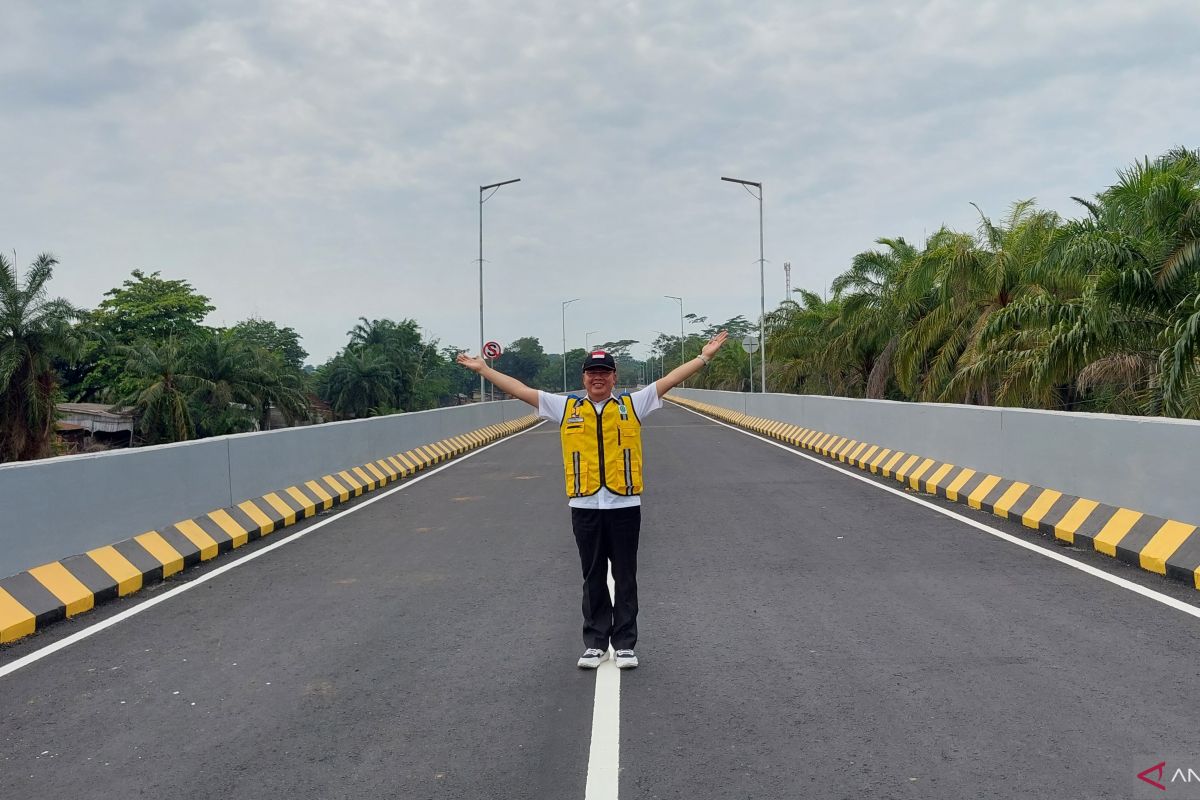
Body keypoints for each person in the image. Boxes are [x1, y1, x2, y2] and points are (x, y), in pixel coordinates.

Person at [457, 331, 728, 669]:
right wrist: (484, 370)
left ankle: (625, 643)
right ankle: (596, 642)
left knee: (626, 575)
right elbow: (520, 390)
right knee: (593, 575)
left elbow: (670, 379)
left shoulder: (633, 404)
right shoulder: (565, 407)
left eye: (604, 374)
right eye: (592, 374)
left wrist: (704, 357)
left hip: (624, 506)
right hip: (585, 506)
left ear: (614, 377)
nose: (598, 379)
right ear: (584, 378)